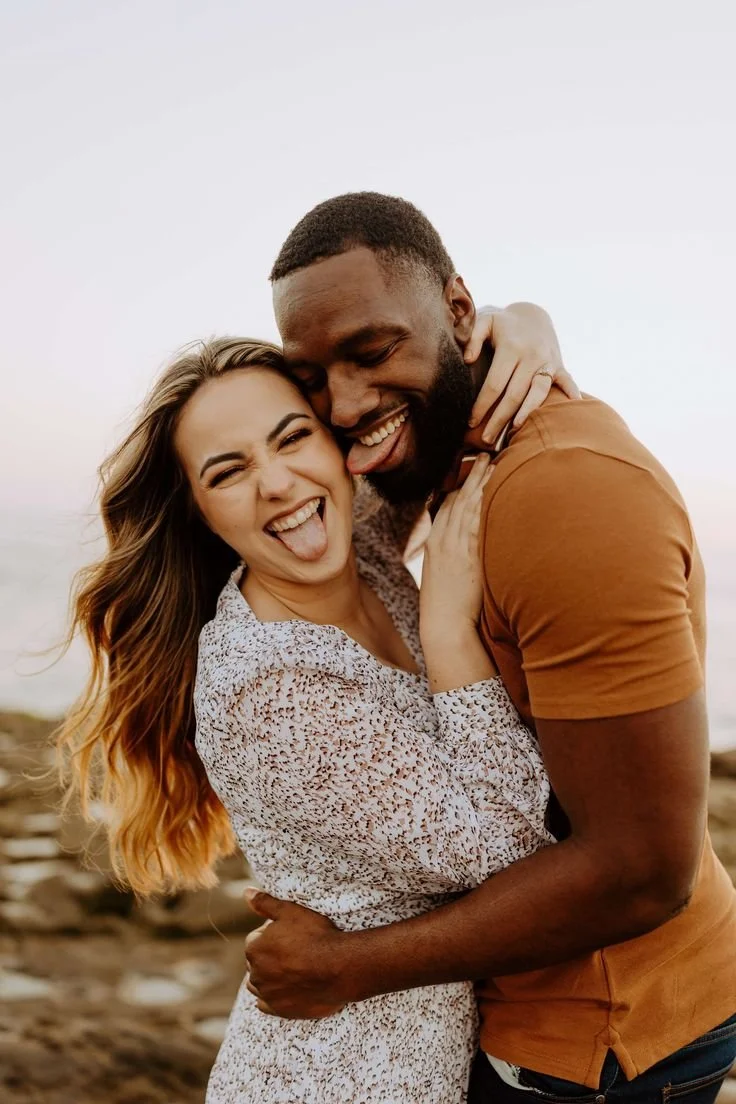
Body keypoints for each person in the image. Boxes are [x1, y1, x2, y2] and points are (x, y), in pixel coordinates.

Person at [242, 192, 736, 1104]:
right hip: (535, 1008)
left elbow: (642, 869)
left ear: (458, 313)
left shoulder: (565, 494)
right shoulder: (451, 451)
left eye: (372, 350)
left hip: (600, 1039)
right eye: (311, 375)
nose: (343, 403)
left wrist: (346, 968)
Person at [57, 311, 574, 1102]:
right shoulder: (266, 688)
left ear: (334, 443)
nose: (277, 482)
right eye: (227, 472)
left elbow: (423, 396)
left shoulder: (357, 538)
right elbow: (512, 848)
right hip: (340, 1076)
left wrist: (527, 330)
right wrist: (450, 627)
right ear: (200, 509)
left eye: (293, 437)